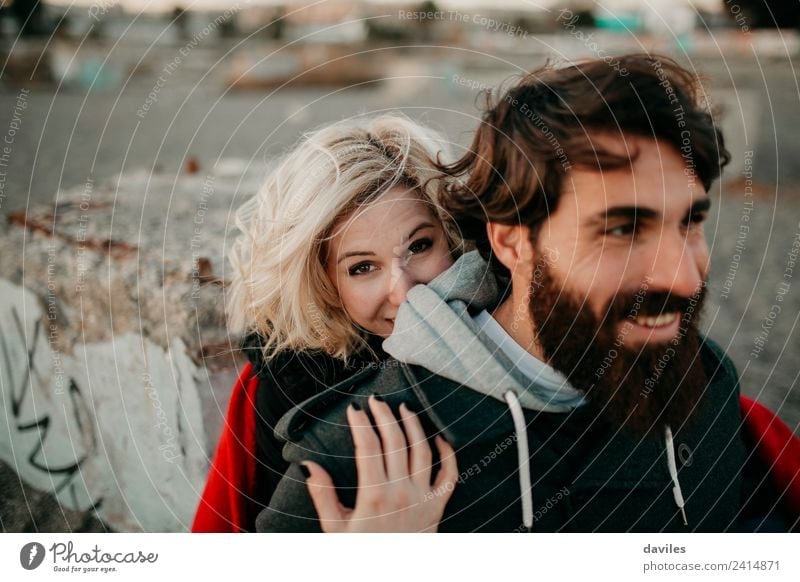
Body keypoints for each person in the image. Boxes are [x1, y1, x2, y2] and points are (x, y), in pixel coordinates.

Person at [256, 54, 800, 532]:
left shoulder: (704, 383)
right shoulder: (359, 455)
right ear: (511, 241)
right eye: (620, 230)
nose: (683, 278)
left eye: (689, 222)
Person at [192, 114, 461, 532]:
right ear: (323, 284)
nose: (406, 291)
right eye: (362, 267)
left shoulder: (508, 336)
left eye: (420, 245)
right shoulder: (290, 396)